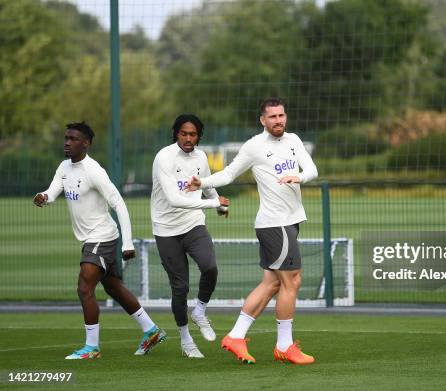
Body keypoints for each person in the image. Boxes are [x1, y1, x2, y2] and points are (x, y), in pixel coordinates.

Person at [186, 97, 318, 365]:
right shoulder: (254, 146)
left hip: (291, 221)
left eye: (281, 115)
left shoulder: (293, 140)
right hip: (274, 224)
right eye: (272, 117)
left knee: (272, 283)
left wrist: (299, 177)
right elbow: (229, 174)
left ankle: (236, 336)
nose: (278, 120)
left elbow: (312, 170)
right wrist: (203, 182)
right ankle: (285, 345)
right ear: (262, 120)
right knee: (292, 281)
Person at [33, 122, 166, 359]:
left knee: (84, 288)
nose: (67, 142)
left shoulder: (93, 170)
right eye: (66, 138)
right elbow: (53, 192)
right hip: (93, 239)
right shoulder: (64, 167)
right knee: (113, 287)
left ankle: (92, 348)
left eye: (73, 139)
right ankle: (151, 330)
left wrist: (127, 243)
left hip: (102, 237)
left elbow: (118, 204)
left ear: (86, 143)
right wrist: (44, 197)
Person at [151, 114, 230, 358]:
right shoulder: (163, 157)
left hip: (194, 224)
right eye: (184, 133)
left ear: (198, 136)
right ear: (176, 133)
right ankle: (186, 340)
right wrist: (213, 203)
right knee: (180, 287)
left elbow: (205, 184)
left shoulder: (201, 157)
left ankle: (199, 311)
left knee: (210, 267)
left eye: (193, 134)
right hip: (166, 229)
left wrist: (218, 204)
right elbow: (175, 200)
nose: (188, 138)